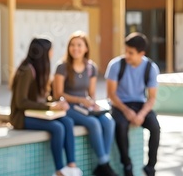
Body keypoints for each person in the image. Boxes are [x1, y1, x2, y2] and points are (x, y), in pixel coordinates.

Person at [10, 37, 83, 176]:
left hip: (35, 113)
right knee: (57, 127)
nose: (52, 53)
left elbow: (42, 97)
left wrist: (56, 103)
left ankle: (71, 166)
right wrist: (49, 107)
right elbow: (21, 102)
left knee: (67, 121)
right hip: (20, 117)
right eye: (50, 50)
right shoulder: (27, 70)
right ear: (44, 53)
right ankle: (59, 171)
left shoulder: (40, 69)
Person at [53, 31, 118, 176]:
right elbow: (58, 93)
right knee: (93, 123)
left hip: (85, 106)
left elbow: (92, 94)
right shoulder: (62, 67)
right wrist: (80, 100)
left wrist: (92, 103)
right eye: (72, 45)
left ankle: (103, 163)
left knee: (108, 122)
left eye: (79, 45)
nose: (75, 48)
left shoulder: (91, 67)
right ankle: (104, 165)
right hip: (68, 106)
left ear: (86, 48)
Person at [104, 32, 161, 176]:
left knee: (155, 127)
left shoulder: (151, 68)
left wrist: (141, 115)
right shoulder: (116, 65)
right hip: (119, 104)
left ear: (142, 53)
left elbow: (152, 98)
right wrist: (126, 111)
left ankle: (150, 167)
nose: (127, 55)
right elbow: (111, 94)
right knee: (121, 125)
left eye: (131, 53)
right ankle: (127, 165)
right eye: (126, 51)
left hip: (140, 104)